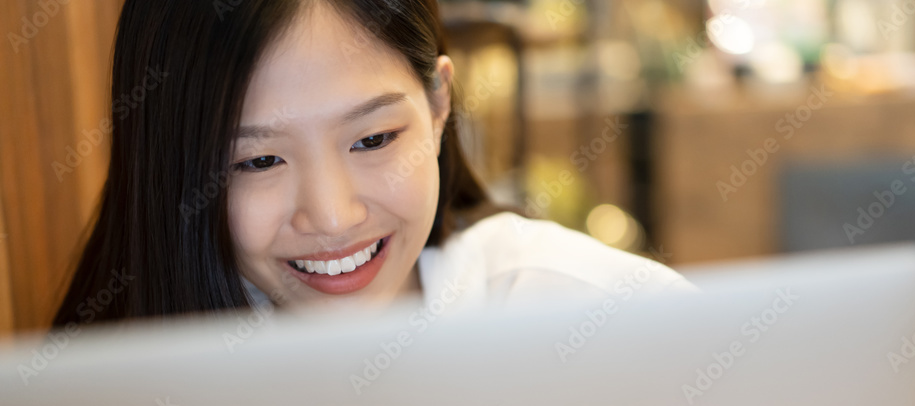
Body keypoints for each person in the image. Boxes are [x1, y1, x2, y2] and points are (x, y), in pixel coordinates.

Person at [51, 0, 693, 329]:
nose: (333, 216)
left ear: (439, 104)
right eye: (260, 160)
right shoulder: (104, 402)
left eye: (373, 140)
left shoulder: (608, 317)